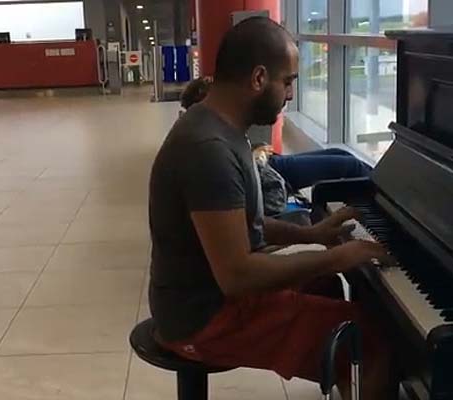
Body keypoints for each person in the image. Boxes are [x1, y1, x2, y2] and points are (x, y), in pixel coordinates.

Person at [149, 17, 397, 400]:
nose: (291, 95)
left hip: (210, 296)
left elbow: (241, 222)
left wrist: (311, 235)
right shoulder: (208, 150)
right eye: (289, 82)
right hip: (200, 318)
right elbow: (238, 276)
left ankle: (344, 379)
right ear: (259, 78)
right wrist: (336, 257)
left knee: (327, 288)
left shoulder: (223, 129)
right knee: (377, 339)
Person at [179, 77, 372, 192]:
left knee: (341, 154)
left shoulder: (211, 128)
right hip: (271, 169)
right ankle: (389, 197)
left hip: (268, 164)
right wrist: (258, 155)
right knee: (350, 165)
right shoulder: (210, 140)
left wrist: (256, 149)